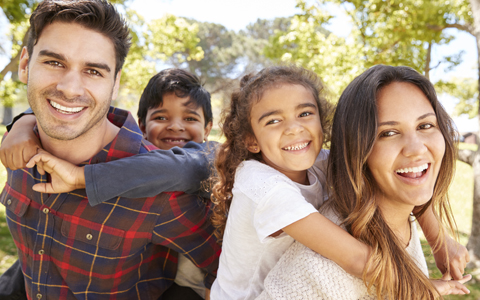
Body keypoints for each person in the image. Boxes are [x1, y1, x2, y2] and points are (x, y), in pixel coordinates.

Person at [0, 1, 220, 299]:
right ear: (25, 65)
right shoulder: (19, 149)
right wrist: (21, 124)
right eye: (54, 62)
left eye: (93, 70)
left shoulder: (162, 193)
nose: (70, 88)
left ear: (115, 83)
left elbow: (233, 272)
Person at [206, 65, 467, 300]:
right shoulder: (262, 186)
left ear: (323, 122)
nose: (294, 128)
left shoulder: (320, 163)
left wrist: (440, 241)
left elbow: (406, 178)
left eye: (305, 113)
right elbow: (355, 258)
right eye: (274, 120)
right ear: (251, 141)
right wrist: (419, 287)